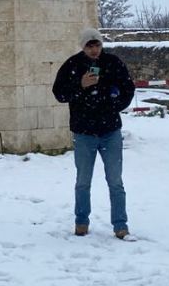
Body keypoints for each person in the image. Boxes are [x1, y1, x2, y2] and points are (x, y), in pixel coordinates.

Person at [52, 28, 136, 238]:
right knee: (83, 181)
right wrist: (80, 85)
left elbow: (128, 88)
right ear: (83, 47)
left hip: (110, 130)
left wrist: (114, 104)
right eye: (90, 46)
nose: (94, 49)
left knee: (115, 181)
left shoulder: (113, 63)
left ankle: (120, 225)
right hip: (84, 132)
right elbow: (59, 93)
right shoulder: (73, 65)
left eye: (97, 45)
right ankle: (81, 222)